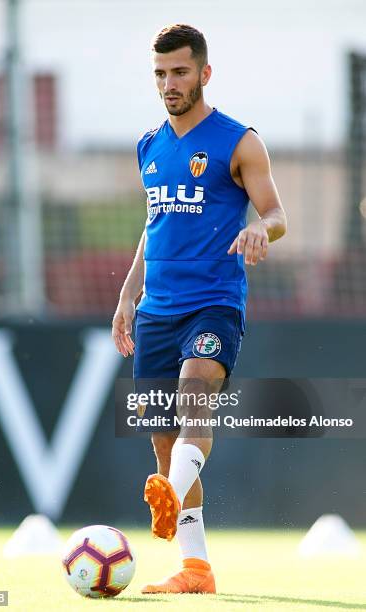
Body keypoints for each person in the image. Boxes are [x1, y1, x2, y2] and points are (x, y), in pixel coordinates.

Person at [112, 23, 287, 594]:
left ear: (204, 74)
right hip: (156, 310)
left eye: (180, 72)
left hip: (213, 303)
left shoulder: (239, 141)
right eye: (160, 74)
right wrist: (126, 293)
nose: (169, 83)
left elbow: (276, 213)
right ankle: (196, 568)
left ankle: (168, 490)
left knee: (195, 404)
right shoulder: (149, 145)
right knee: (164, 440)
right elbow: (153, 223)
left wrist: (262, 229)